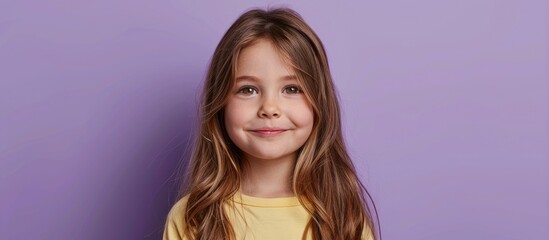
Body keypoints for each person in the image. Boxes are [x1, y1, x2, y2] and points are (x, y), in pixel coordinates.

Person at [163, 7, 379, 240]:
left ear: (320, 103)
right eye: (248, 89)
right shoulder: (193, 217)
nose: (269, 108)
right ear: (220, 103)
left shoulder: (343, 214)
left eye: (292, 89)